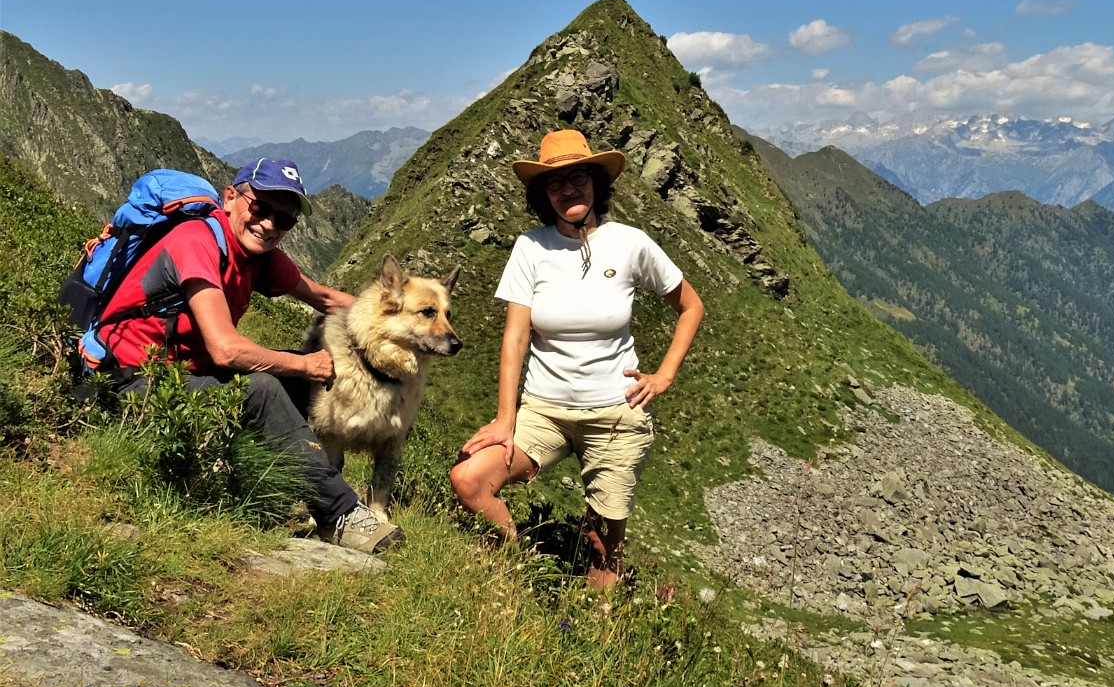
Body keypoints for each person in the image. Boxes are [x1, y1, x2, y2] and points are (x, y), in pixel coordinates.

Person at [98, 158, 404, 554]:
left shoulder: (257, 256)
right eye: (260, 208)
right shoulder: (196, 242)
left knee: (294, 377)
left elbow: (326, 298)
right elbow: (226, 350)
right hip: (130, 382)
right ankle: (342, 514)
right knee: (263, 386)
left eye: (285, 220)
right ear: (230, 198)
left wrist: (399, 318)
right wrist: (306, 364)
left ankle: (289, 485)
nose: (270, 224)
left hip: (184, 375)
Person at [450, 130, 704, 588]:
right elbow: (516, 337)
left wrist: (664, 376)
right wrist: (505, 419)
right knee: (470, 480)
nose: (569, 188)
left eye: (579, 176)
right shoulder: (530, 248)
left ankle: (597, 637)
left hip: (614, 413)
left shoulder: (631, 244)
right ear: (542, 194)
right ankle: (518, 578)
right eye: (555, 182)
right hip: (544, 409)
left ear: (596, 184)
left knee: (602, 545)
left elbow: (691, 306)